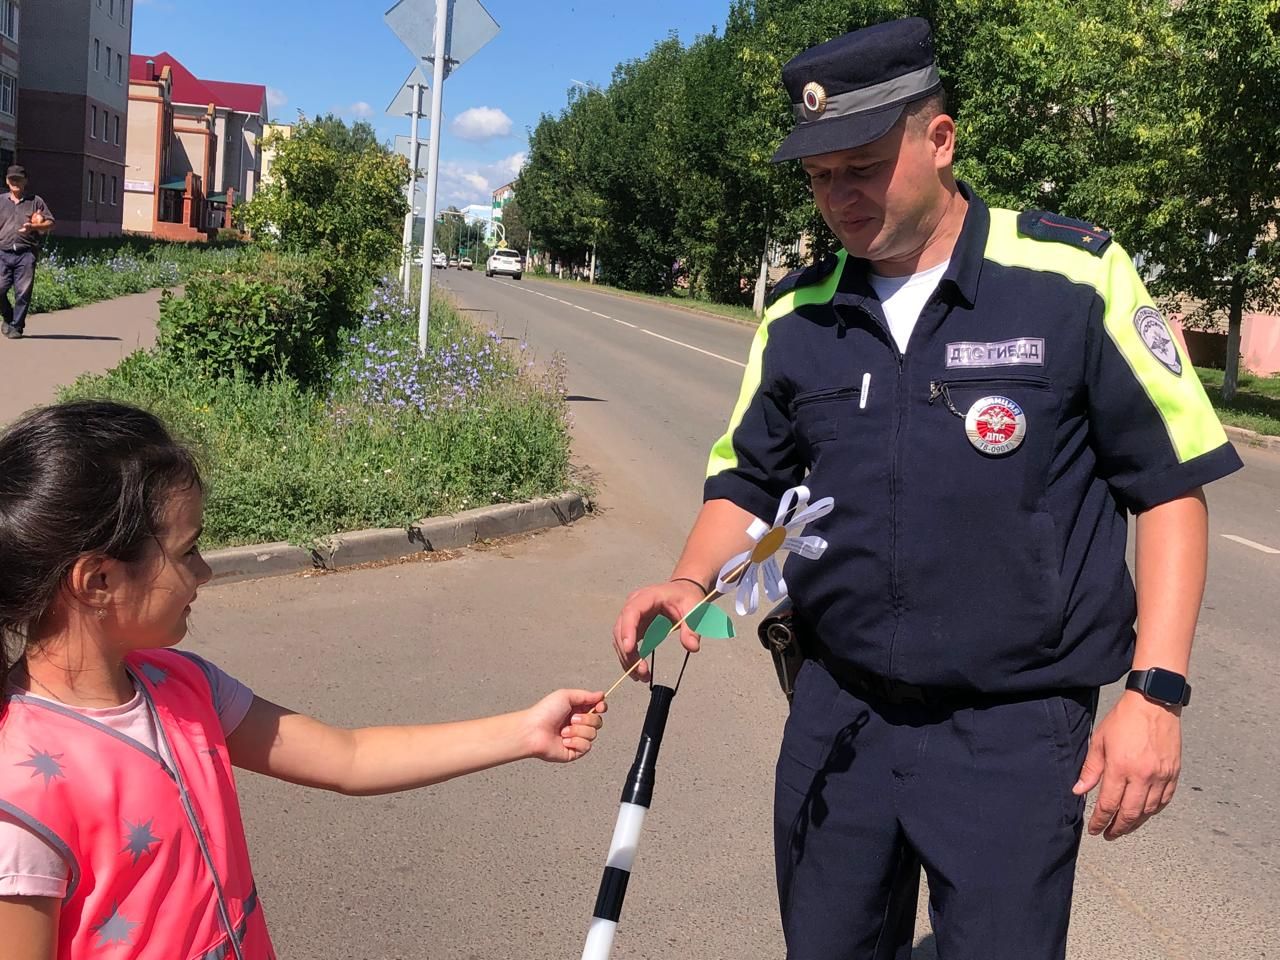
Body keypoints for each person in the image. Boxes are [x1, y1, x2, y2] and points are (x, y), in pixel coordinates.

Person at [612, 17, 1242, 960]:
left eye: (860, 165)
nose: (839, 197)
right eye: (819, 177)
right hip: (838, 713)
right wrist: (691, 579)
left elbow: (1169, 488)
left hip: (1014, 731)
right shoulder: (796, 317)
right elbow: (748, 481)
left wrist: (1155, 693)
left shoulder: (1072, 278)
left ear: (939, 141)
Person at [0, 400, 606, 959]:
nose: (205, 572)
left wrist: (526, 730)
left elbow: (349, 756)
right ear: (97, 581)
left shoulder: (183, 686)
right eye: (188, 552)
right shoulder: (20, 797)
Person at [0, 165, 55, 340]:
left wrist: (34, 226)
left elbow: (51, 223)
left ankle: (16, 326)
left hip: (26, 253)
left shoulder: (35, 201)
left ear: (25, 182)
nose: (15, 182)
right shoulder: (1, 201)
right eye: (12, 179)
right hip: (3, 252)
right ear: (7, 181)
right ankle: (8, 317)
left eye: (19, 179)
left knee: (23, 292)